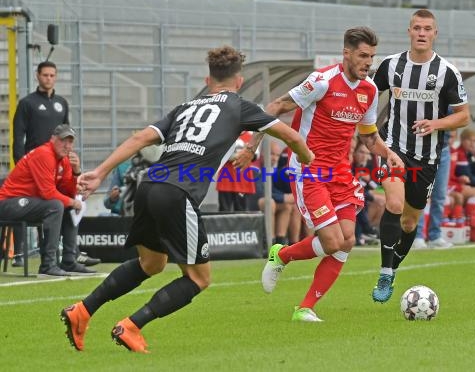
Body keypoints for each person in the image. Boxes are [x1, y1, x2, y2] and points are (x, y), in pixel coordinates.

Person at [59, 45, 314, 353]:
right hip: (176, 193)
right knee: (199, 278)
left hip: (149, 185)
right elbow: (292, 137)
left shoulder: (185, 107)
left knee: (151, 263)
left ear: (208, 80)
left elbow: (140, 138)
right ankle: (131, 326)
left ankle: (83, 311)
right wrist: (307, 159)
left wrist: (99, 172)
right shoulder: (239, 105)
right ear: (239, 81)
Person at [238, 27, 403, 322]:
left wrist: (387, 152)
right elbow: (275, 107)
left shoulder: (368, 91)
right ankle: (282, 255)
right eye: (363, 56)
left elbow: (367, 136)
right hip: (309, 169)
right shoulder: (321, 81)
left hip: (340, 171)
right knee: (331, 242)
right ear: (347, 53)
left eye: (372, 57)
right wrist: (252, 146)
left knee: (348, 240)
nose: (368, 62)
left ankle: (305, 308)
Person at [370, 9, 470, 303]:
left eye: (427, 28)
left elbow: (463, 116)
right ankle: (386, 272)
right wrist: (368, 134)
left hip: (426, 157)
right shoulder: (390, 65)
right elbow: (368, 99)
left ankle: (393, 266)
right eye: (417, 28)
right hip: (392, 146)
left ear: (435, 34)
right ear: (409, 31)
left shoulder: (447, 72)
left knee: (410, 223)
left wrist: (435, 124)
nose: (422, 33)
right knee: (394, 202)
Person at [10, 60, 99, 268]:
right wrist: (21, 164)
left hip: (56, 169)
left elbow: (67, 135)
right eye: (45, 75)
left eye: (52, 75)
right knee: (36, 201)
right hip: (33, 168)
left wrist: (69, 163)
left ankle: (71, 253)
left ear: (56, 77)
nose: (48, 79)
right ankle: (19, 254)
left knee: (70, 199)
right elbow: (18, 137)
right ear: (37, 76)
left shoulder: (61, 103)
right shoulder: (27, 103)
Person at [0, 125, 95, 276]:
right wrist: (72, 202)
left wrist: (76, 172)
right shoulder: (44, 154)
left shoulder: (63, 159)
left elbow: (69, 192)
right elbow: (48, 193)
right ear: (53, 139)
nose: (67, 145)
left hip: (31, 203)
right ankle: (48, 265)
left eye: (70, 142)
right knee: (56, 205)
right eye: (63, 140)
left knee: (67, 205)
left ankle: (69, 260)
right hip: (8, 203)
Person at [412, 116, 454, 249]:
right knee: (420, 194)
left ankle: (435, 235)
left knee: (440, 196)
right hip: (419, 149)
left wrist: (436, 124)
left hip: (443, 149)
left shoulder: (448, 97)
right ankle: (417, 235)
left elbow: (457, 119)